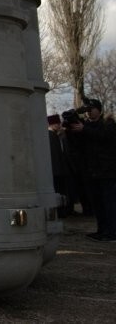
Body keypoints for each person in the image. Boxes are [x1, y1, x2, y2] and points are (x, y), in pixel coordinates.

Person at [68, 98, 116, 242]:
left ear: (99, 110)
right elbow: (77, 146)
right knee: (97, 204)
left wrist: (85, 129)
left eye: (91, 109)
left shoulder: (108, 124)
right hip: (91, 171)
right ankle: (102, 230)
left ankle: (112, 232)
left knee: (109, 203)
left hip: (107, 171)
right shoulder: (85, 126)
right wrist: (71, 130)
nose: (88, 112)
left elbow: (105, 137)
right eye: (87, 110)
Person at [47, 114, 76, 217]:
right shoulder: (52, 136)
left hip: (58, 170)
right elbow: (57, 155)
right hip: (57, 171)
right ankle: (62, 212)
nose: (59, 125)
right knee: (60, 191)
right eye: (57, 123)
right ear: (53, 124)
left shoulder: (54, 135)